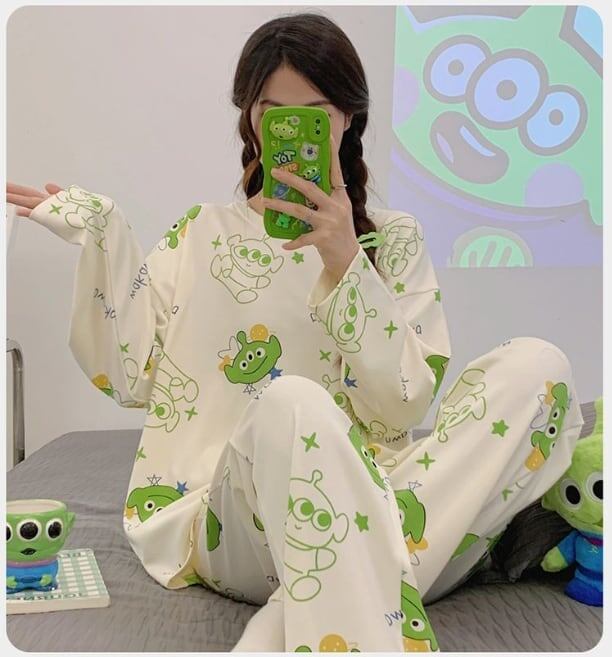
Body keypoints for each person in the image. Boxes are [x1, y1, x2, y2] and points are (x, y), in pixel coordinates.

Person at [7, 12, 585, 652]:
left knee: (540, 367)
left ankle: (302, 608)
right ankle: (368, 579)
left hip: (378, 488)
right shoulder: (202, 234)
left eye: (315, 113)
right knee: (291, 402)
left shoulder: (394, 240)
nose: (292, 129)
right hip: (233, 520)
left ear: (348, 118)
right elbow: (128, 376)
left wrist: (346, 261)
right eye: (273, 111)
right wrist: (104, 236)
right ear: (251, 119)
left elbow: (404, 404)